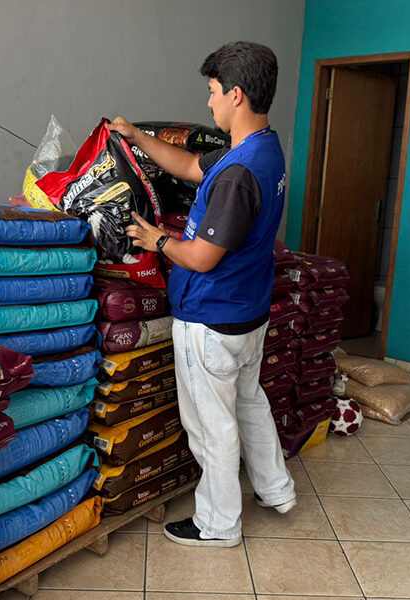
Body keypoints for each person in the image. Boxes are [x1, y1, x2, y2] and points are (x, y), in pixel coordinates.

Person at [108, 41, 295, 548]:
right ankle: (276, 489)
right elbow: (191, 166)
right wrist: (136, 137)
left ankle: (219, 524)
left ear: (236, 94)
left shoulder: (238, 173)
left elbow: (203, 257)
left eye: (213, 93)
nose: (208, 103)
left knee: (211, 426)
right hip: (247, 313)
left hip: (212, 318)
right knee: (251, 403)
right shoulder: (263, 149)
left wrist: (156, 240)